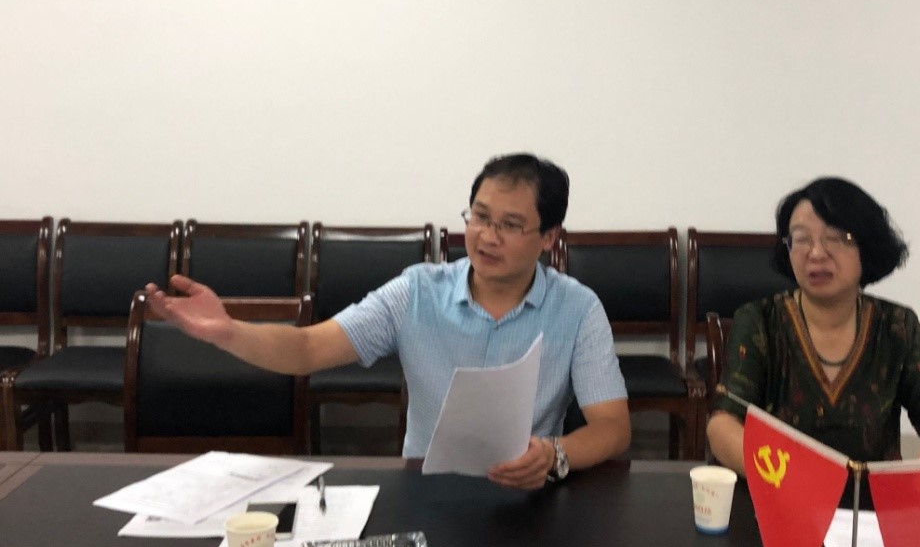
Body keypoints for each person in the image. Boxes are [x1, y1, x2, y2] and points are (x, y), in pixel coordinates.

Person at [145, 153, 631, 491]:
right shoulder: (417, 291)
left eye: (510, 225)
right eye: (480, 217)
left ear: (549, 237)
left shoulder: (578, 308)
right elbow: (308, 349)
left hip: (529, 491)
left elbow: (612, 427)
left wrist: (553, 456)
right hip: (424, 486)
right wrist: (230, 331)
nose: (487, 237)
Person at [706, 176, 920, 476]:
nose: (816, 253)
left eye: (835, 238)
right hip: (778, 494)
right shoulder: (760, 321)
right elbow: (723, 424)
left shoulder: (896, 326)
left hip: (871, 499)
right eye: (801, 239)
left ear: (866, 247)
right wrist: (780, 478)